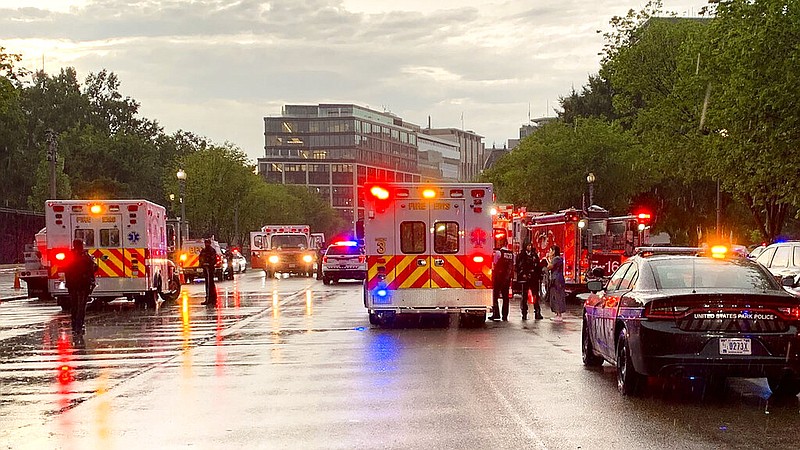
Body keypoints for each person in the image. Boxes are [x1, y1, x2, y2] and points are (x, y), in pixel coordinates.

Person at [65, 239, 97, 337]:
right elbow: (92, 269)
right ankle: (79, 325)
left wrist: (68, 282)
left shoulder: (69, 256)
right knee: (81, 306)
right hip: (83, 284)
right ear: (81, 246)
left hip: (72, 284)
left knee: (74, 305)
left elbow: (66, 270)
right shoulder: (85, 256)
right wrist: (92, 281)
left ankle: (74, 325)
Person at [515, 242, 544, 320]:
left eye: (530, 245)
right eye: (528, 245)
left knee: (535, 295)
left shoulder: (534, 255)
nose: (529, 247)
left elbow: (538, 266)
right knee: (524, 296)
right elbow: (518, 266)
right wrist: (522, 274)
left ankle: (537, 312)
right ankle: (524, 313)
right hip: (524, 278)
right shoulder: (521, 256)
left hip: (534, 278)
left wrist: (539, 275)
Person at [490, 238, 514, 321]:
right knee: (505, 297)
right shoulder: (511, 253)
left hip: (498, 277)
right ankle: (505, 315)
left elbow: (495, 264)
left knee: (495, 296)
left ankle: (496, 314)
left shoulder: (498, 253)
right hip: (507, 278)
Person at [546, 245, 567, 322]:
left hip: (557, 279)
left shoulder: (556, 259)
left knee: (558, 296)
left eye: (550, 250)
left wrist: (547, 259)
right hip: (557, 279)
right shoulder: (558, 259)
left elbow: (549, 267)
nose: (549, 252)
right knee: (555, 295)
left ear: (554, 251)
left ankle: (559, 314)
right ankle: (557, 314)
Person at [199, 239, 218, 306]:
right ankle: (208, 298)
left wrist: (209, 264)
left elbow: (214, 259)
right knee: (207, 284)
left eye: (207, 243)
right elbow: (200, 258)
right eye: (205, 243)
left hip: (210, 269)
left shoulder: (212, 250)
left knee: (211, 284)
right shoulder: (203, 251)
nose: (206, 244)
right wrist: (202, 264)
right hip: (206, 269)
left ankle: (212, 299)